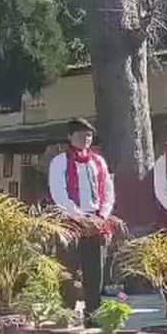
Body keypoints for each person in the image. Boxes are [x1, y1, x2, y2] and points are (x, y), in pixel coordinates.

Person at [48, 118, 117, 321]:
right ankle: (66, 315)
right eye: (80, 135)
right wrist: (79, 217)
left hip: (96, 221)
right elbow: (59, 194)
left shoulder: (98, 161)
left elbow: (108, 191)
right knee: (68, 270)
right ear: (70, 137)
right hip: (71, 221)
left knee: (95, 273)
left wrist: (102, 216)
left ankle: (93, 314)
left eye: (88, 135)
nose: (85, 139)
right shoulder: (60, 161)